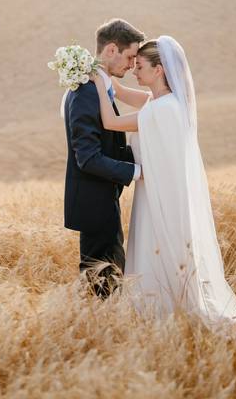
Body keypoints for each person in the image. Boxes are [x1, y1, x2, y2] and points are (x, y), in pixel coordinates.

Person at [89, 35, 236, 323]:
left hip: (157, 197)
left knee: (156, 248)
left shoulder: (159, 110)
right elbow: (123, 91)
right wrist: (96, 68)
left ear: (159, 70)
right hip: (165, 194)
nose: (134, 72)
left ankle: (164, 312)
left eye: (139, 66)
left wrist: (98, 84)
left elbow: (110, 122)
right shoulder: (168, 102)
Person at [62, 18, 145, 298]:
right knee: (102, 286)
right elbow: (87, 157)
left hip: (101, 199)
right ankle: (97, 333)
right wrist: (135, 171)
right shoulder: (86, 91)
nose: (132, 65)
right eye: (131, 56)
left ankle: (100, 328)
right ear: (111, 50)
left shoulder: (98, 87)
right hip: (93, 203)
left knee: (107, 280)